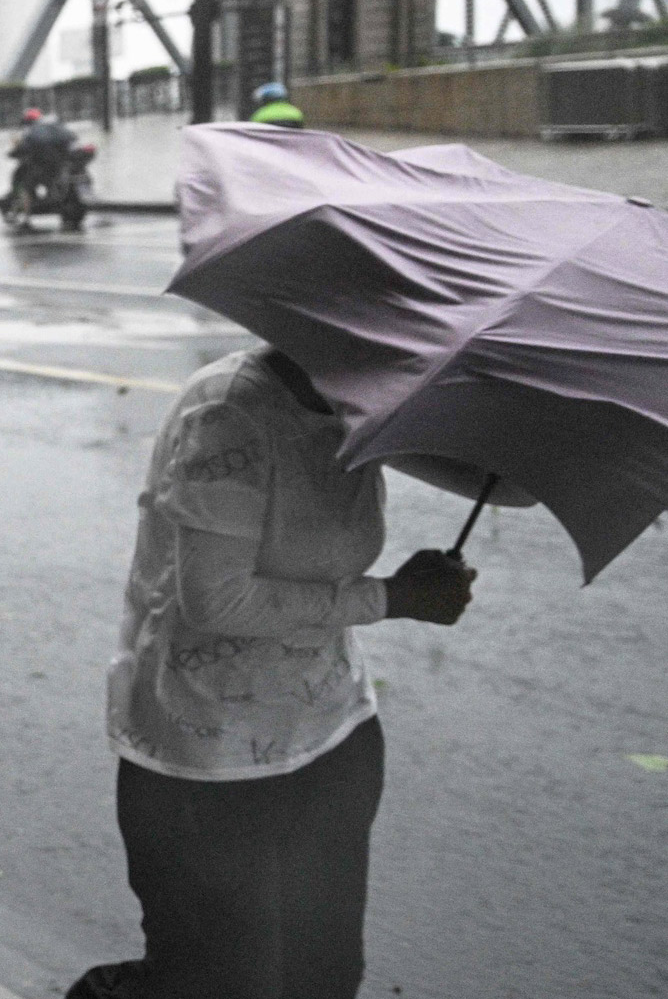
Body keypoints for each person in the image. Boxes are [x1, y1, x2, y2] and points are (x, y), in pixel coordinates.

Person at [68, 344, 477, 999]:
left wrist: (419, 582)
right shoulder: (229, 412)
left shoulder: (365, 407)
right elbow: (219, 601)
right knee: (217, 983)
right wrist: (393, 599)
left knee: (326, 975)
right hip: (205, 754)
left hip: (331, 735)